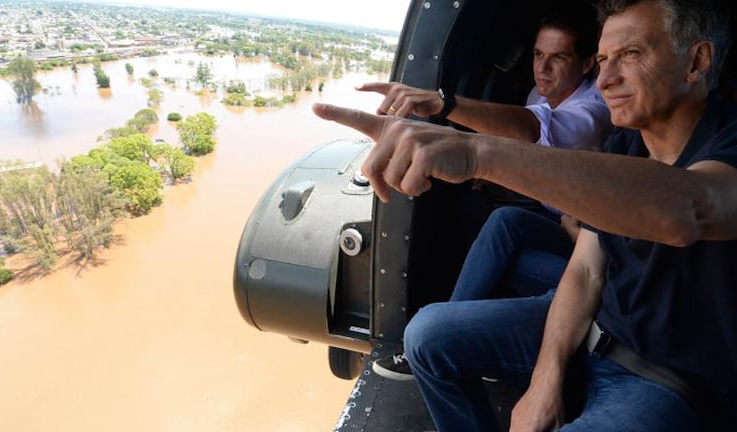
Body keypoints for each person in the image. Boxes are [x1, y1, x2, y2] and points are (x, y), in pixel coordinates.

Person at [313, 0, 736, 430]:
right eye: (604, 60)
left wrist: (476, 152)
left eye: (631, 55)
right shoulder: (625, 145)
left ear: (696, 61)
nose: (605, 80)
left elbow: (689, 208)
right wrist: (544, 379)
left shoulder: (728, 145)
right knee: (426, 337)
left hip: (665, 378)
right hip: (595, 333)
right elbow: (586, 270)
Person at [364, 9, 611, 381]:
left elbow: (531, 129)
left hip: (592, 247)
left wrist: (443, 104)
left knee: (501, 259)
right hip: (557, 219)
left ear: (589, 63)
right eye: (538, 55)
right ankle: (457, 330)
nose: (542, 69)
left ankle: (452, 341)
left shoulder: (594, 110)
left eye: (558, 58)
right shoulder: (541, 93)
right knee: (498, 220)